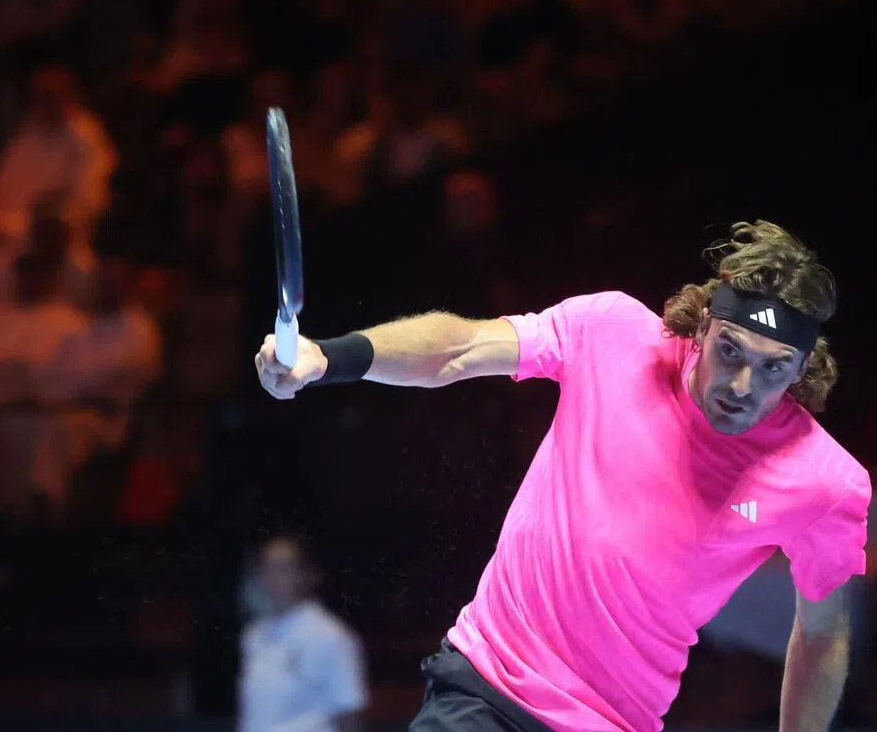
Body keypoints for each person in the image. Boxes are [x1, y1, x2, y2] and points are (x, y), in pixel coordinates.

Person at [254, 221, 871, 732]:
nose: (741, 386)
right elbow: (458, 348)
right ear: (704, 322)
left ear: (803, 370)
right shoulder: (611, 333)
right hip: (485, 689)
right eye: (730, 350)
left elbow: (822, 634)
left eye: (773, 369)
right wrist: (328, 357)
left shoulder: (826, 483)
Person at [238, 534, 368, 732]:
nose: (272, 577)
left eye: (283, 569)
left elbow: (349, 714)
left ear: (306, 574)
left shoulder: (330, 635)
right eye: (266, 567)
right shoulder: (254, 635)